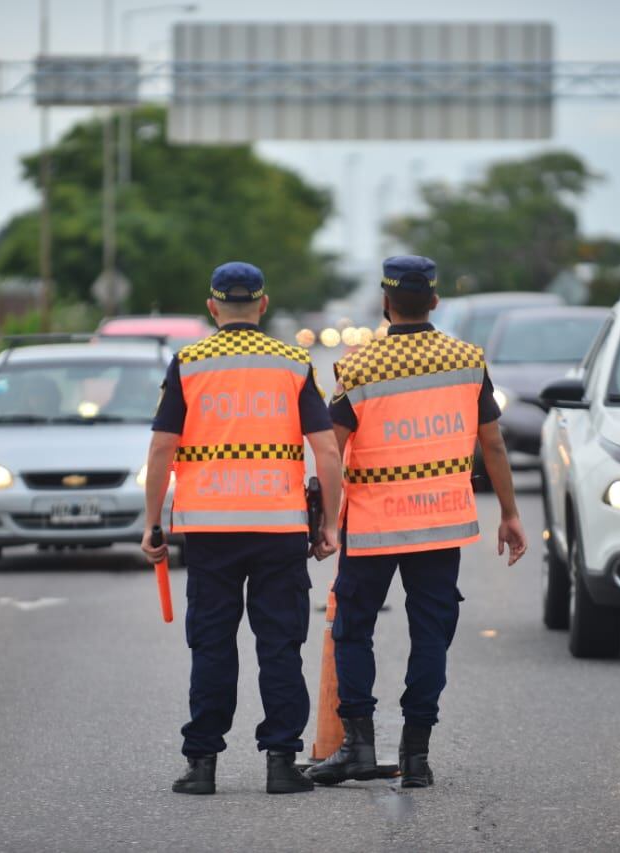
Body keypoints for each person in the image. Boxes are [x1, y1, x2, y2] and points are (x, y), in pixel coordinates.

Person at [306, 255, 528, 789]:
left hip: (374, 524)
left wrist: (325, 522)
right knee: (431, 635)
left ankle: (358, 748)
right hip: (440, 525)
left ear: (385, 303)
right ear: (433, 300)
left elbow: (332, 453)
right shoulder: (466, 359)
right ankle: (417, 755)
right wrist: (511, 513)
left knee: (353, 629)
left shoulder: (358, 366)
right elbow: (491, 441)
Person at [140, 261, 344, 796]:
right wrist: (330, 524)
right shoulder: (293, 363)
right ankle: (281, 764)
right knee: (279, 644)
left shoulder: (188, 363)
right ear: (263, 304)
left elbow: (162, 447)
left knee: (212, 644)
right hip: (278, 528)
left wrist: (153, 523)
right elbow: (325, 449)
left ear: (212, 307)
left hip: (208, 530)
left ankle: (202, 764)